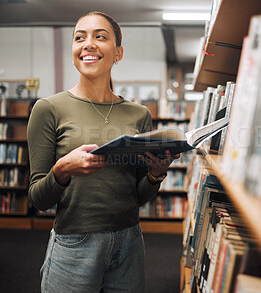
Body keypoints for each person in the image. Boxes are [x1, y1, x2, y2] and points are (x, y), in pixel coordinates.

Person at [27, 11, 179, 293]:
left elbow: (137, 197)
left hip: (130, 242)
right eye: (79, 38)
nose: (88, 44)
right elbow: (38, 198)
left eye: (100, 36)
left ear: (118, 52)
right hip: (74, 244)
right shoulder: (48, 109)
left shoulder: (139, 114)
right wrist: (62, 170)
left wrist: (156, 175)